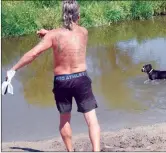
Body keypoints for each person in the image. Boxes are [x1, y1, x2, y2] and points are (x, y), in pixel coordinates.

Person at [6, 0, 100, 151]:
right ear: (79, 16)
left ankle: (70, 151)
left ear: (63, 15)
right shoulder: (84, 32)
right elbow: (69, 34)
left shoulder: (53, 36)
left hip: (62, 81)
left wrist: (13, 69)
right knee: (91, 119)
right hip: (81, 78)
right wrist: (49, 33)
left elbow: (34, 53)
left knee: (64, 119)